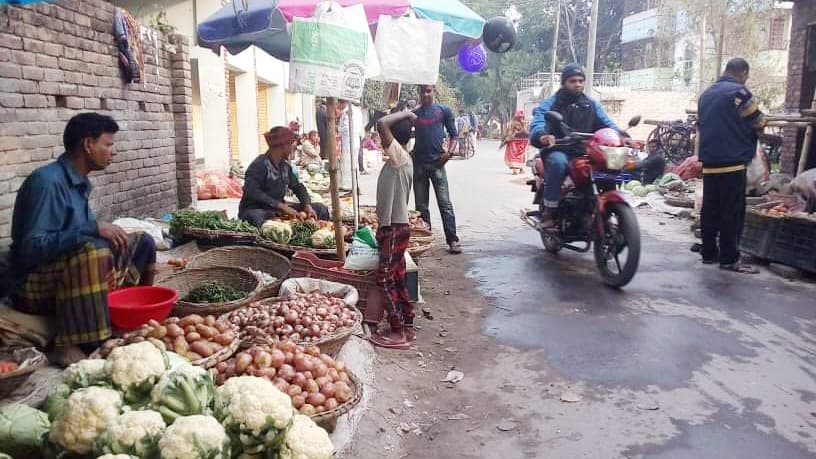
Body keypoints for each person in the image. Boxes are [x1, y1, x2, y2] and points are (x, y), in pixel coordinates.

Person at [9, 113, 156, 366]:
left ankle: (129, 314)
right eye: (108, 145)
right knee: (94, 251)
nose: (113, 151)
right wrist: (91, 229)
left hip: (71, 269)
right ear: (88, 145)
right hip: (32, 282)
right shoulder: (47, 182)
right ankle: (76, 343)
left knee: (141, 242)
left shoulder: (79, 181)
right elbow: (29, 250)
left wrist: (96, 233)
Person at [529, 63, 620, 229]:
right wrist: (542, 135)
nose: (577, 84)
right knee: (558, 163)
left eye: (580, 80)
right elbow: (539, 122)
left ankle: (605, 209)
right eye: (572, 81)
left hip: (584, 150)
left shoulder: (591, 105)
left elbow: (607, 123)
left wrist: (622, 136)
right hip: (558, 148)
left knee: (608, 166)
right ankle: (550, 211)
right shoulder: (551, 103)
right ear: (564, 83)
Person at [698, 58, 765, 274]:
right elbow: (758, 121)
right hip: (733, 162)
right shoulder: (740, 94)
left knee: (710, 209)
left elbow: (702, 123)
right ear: (743, 73)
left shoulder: (706, 95)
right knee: (731, 212)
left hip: (709, 162)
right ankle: (729, 258)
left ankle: (708, 254)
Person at [369, 110, 417, 349]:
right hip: (394, 227)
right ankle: (406, 323)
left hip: (395, 228)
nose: (380, 141)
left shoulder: (399, 156)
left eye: (384, 139)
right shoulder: (400, 158)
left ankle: (399, 331)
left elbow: (381, 123)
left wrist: (407, 112)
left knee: (385, 278)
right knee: (396, 277)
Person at [238, 126, 329, 227]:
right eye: (291, 145)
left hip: (277, 212)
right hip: (257, 210)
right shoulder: (259, 164)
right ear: (283, 146)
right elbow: (252, 191)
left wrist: (307, 205)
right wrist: (281, 206)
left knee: (320, 208)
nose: (292, 149)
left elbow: (298, 187)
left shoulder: (285, 167)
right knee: (255, 217)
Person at [413, 85, 462, 254]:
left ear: (433, 91)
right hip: (418, 165)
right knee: (421, 207)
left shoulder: (443, 111)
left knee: (445, 204)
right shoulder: (413, 114)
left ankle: (452, 240)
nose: (426, 94)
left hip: (438, 164)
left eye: (429, 91)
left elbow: (454, 135)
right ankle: (425, 239)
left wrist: (449, 153)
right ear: (418, 92)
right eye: (423, 91)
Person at [502, 110, 529, 174]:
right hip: (523, 142)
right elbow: (527, 133)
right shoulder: (525, 123)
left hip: (513, 142)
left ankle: (515, 170)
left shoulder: (512, 123)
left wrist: (506, 139)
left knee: (513, 155)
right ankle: (521, 169)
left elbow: (509, 132)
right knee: (521, 156)